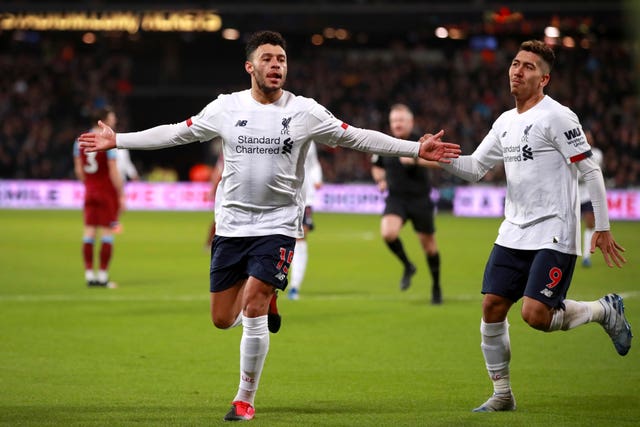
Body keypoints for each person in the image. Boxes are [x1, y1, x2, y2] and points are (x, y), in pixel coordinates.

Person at [78, 30, 460, 422]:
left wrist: (415, 147)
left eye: (281, 59)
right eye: (268, 59)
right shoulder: (226, 108)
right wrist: (118, 140)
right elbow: (176, 132)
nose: (276, 65)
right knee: (223, 318)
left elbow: (356, 138)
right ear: (250, 67)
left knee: (255, 303)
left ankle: (245, 398)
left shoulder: (305, 111)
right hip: (231, 225)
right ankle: (265, 296)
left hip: (278, 223)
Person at [436, 40, 631, 412]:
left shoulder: (557, 117)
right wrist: (440, 157)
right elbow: (476, 167)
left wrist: (602, 226)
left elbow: (590, 170)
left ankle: (604, 311)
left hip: (555, 230)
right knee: (492, 307)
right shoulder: (505, 122)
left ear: (544, 78)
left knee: (535, 316)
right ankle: (502, 395)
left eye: (527, 66)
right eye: (514, 63)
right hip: (514, 229)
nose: (517, 70)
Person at [371, 103, 442, 304]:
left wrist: (415, 160)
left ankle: (436, 286)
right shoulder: (384, 143)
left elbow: (440, 162)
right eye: (394, 120)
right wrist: (380, 179)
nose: (397, 124)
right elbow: (376, 166)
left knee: (429, 247)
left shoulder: (422, 140)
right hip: (396, 199)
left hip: (420, 199)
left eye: (401, 120)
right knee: (388, 233)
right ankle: (408, 265)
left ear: (410, 122)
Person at [73, 106, 124, 288]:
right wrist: (121, 194)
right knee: (107, 233)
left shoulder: (79, 141)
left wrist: (89, 184)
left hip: (90, 189)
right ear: (104, 120)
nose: (115, 119)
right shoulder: (107, 140)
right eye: (112, 116)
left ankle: (89, 275)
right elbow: (113, 171)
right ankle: (102, 277)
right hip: (106, 191)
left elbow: (79, 170)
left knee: (88, 232)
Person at [288, 141, 323, 300]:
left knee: (300, 238)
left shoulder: (308, 139)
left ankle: (294, 285)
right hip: (280, 196)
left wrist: (317, 178)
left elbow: (313, 163)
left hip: (305, 197)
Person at [578, 129, 604, 268]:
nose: (588, 140)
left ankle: (586, 257)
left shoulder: (597, 154)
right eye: (585, 137)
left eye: (590, 137)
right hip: (574, 193)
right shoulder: (573, 152)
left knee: (589, 223)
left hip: (588, 193)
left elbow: (587, 172)